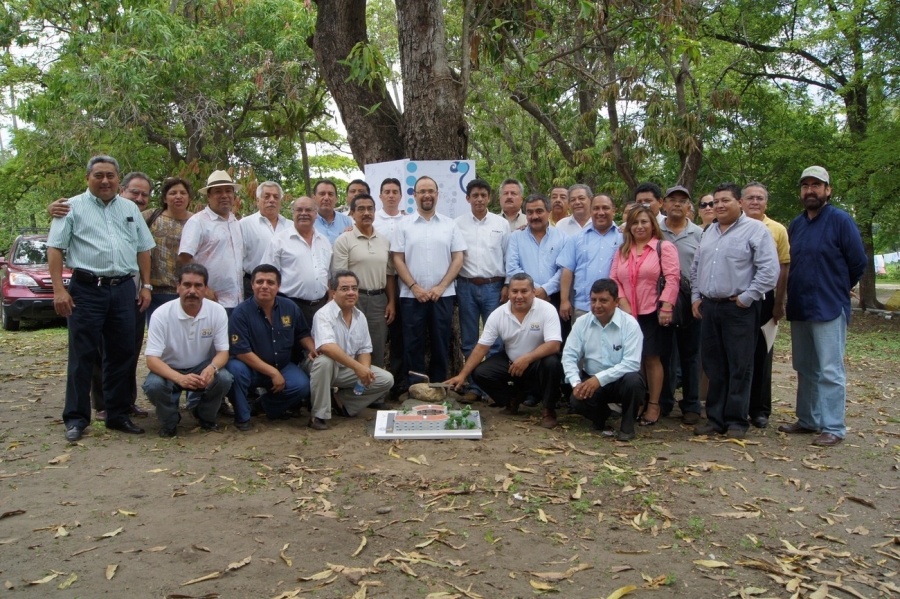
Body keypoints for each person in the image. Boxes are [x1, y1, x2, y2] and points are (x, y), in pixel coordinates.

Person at [48, 156, 156, 442]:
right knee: (82, 355)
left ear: (118, 179)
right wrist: (59, 289)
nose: (105, 180)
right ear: (88, 178)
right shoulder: (70, 208)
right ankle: (76, 418)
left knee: (121, 354)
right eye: (99, 175)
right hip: (86, 289)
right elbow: (56, 248)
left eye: (110, 175)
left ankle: (117, 414)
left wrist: (146, 285)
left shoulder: (130, 208)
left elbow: (143, 248)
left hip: (123, 289)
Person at [779, 166, 866, 447]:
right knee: (805, 366)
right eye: (805, 186)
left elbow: (858, 262)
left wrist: (840, 286)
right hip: (801, 305)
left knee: (830, 369)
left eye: (817, 185)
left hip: (829, 304)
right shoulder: (797, 224)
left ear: (828, 190)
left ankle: (833, 427)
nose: (810, 190)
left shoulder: (840, 220)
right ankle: (808, 420)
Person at [690, 182, 779, 439]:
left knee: (740, 365)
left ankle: (737, 421)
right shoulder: (709, 232)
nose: (718, 205)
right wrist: (696, 296)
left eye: (725, 200)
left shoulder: (755, 230)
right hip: (710, 307)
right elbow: (696, 268)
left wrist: (746, 298)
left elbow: (769, 271)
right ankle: (715, 419)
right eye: (715, 201)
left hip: (739, 309)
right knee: (714, 365)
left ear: (739, 202)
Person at [445, 273, 562, 427]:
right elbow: (481, 347)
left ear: (533, 292)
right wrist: (462, 375)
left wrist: (527, 358)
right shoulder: (498, 314)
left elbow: (554, 344)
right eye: (514, 291)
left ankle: (548, 410)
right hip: (511, 360)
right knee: (480, 373)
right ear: (508, 293)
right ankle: (512, 399)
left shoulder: (547, 309)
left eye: (524, 291)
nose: (519, 296)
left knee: (552, 363)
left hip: (538, 361)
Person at [392, 175, 466, 388]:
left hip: (442, 296)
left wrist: (441, 287)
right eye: (422, 191)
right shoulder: (403, 225)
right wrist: (414, 287)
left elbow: (458, 258)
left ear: (437, 195)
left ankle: (438, 387)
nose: (427, 195)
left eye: (431, 191)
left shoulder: (449, 225)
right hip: (410, 296)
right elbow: (397, 258)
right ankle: (415, 387)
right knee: (412, 343)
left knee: (441, 342)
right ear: (414, 196)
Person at [142, 264, 232, 437]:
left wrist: (211, 369)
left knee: (224, 378)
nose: (192, 291)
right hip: (169, 368)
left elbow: (223, 353)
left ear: (206, 289)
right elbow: (152, 359)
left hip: (201, 366)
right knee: (153, 385)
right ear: (178, 287)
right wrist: (179, 378)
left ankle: (204, 415)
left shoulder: (217, 311)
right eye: (187, 285)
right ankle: (170, 421)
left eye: (198, 286)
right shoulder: (161, 314)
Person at [610, 205, 680, 426]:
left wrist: (667, 306)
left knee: (651, 358)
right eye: (635, 222)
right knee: (633, 359)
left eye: (644, 222)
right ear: (628, 226)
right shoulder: (622, 251)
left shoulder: (663, 247)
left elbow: (672, 278)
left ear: (652, 225)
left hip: (654, 312)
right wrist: (622, 302)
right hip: (628, 314)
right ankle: (637, 400)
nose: (639, 226)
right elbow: (614, 279)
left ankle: (654, 404)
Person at [227, 264, 317, 431]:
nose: (265, 286)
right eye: (260, 282)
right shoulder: (240, 313)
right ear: (252, 285)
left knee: (302, 385)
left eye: (270, 282)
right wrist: (272, 372)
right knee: (234, 370)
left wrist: (312, 348)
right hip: (250, 368)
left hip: (281, 365)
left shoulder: (289, 307)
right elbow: (241, 352)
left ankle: (264, 405)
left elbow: (302, 334)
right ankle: (242, 417)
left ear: (278, 286)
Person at [307, 270, 394, 430]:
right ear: (333, 293)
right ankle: (319, 415)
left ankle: (341, 402)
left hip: (346, 369)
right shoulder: (323, 314)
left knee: (385, 379)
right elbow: (327, 347)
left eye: (354, 288)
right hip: (322, 368)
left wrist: (365, 372)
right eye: (345, 289)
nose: (351, 292)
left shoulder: (359, 316)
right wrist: (358, 368)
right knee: (325, 361)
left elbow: (364, 349)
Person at [563, 279, 645, 441]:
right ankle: (602, 418)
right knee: (576, 399)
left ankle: (627, 427)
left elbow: (632, 363)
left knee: (634, 381)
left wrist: (599, 379)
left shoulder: (630, 324)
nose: (597, 305)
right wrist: (575, 383)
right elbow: (569, 356)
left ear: (616, 302)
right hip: (592, 378)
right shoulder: (582, 323)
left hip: (621, 380)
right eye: (593, 300)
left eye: (603, 300)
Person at [454, 178, 510, 402]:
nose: (478, 199)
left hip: (494, 287)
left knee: (495, 341)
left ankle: (493, 389)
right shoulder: (456, 224)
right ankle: (474, 388)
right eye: (474, 195)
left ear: (489, 198)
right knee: (469, 340)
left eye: (483, 195)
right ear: (467, 198)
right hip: (466, 286)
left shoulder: (501, 224)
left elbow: (507, 257)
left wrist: (506, 284)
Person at [740, 182, 790, 429]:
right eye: (750, 198)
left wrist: (779, 302)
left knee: (762, 354)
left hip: (765, 299)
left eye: (760, 198)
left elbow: (783, 267)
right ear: (741, 202)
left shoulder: (777, 229)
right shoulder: (731, 228)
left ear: (766, 203)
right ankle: (736, 406)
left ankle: (759, 410)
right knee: (738, 354)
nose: (755, 202)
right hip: (737, 298)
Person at [331, 193, 396, 369]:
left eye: (370, 209)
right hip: (353, 299)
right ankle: (352, 390)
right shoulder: (344, 240)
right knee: (351, 345)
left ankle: (375, 391)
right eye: (361, 209)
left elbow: (389, 274)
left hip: (378, 300)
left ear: (375, 212)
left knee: (377, 345)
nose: (366, 213)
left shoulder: (384, 241)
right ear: (352, 213)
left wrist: (391, 302)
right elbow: (339, 277)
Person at [658, 185, 704, 425]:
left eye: (682, 201)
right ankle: (664, 402)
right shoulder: (655, 230)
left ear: (689, 207)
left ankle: (692, 404)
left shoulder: (700, 234)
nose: (677, 204)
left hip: (690, 300)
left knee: (690, 354)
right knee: (665, 354)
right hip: (663, 301)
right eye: (672, 200)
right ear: (663, 204)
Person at [178, 170, 244, 313]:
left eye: (228, 191)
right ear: (208, 195)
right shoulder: (198, 222)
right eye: (218, 191)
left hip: (237, 301)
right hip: (210, 300)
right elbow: (184, 257)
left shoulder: (235, 222)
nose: (224, 195)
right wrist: (203, 287)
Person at [263, 196, 333, 328]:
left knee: (320, 346)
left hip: (321, 307)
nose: (304, 213)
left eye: (308, 210)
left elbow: (327, 273)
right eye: (299, 210)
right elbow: (268, 276)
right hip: (289, 305)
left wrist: (329, 297)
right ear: (292, 213)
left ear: (316, 214)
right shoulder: (279, 241)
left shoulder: (324, 241)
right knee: (292, 347)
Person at [558, 193, 623, 321]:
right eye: (596, 208)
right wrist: (564, 300)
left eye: (605, 208)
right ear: (590, 211)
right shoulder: (577, 238)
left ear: (614, 211)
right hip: (583, 307)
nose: (600, 212)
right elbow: (567, 270)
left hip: (616, 306)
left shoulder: (624, 237)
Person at [143, 177, 195, 323]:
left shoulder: (198, 220)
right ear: (165, 198)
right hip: (156, 291)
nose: (178, 196)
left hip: (188, 289)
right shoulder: (151, 216)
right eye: (173, 193)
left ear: (189, 197)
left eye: (183, 193)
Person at [373, 177, 407, 394]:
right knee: (376, 339)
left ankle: (398, 384)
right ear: (381, 196)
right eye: (387, 191)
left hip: (403, 284)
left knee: (399, 338)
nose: (391, 195)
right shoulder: (372, 220)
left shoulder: (409, 220)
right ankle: (375, 384)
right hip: (378, 283)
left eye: (395, 191)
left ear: (401, 196)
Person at [506, 194, 566, 304]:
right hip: (524, 298)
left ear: (549, 212)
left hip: (554, 297)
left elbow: (564, 269)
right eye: (530, 212)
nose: (534, 216)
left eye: (539, 211)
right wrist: (534, 290)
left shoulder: (562, 237)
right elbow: (512, 268)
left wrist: (545, 290)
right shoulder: (516, 237)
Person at [239, 181, 288, 298]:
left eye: (276, 197)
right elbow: (237, 259)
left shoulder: (290, 226)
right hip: (254, 286)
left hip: (285, 288)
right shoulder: (244, 224)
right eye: (267, 196)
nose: (272, 200)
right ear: (257, 200)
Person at [313, 179, 353, 244]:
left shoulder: (346, 221)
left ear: (336, 198)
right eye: (322, 194)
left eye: (330, 194)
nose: (326, 198)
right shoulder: (309, 222)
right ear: (314, 198)